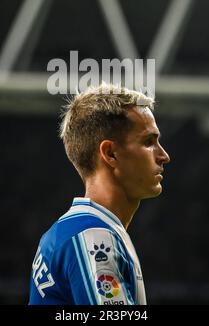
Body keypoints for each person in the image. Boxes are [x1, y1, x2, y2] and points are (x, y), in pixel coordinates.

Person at [29, 83, 170, 305]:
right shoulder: (94, 237)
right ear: (110, 153)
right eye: (149, 142)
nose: (164, 156)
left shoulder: (72, 231)